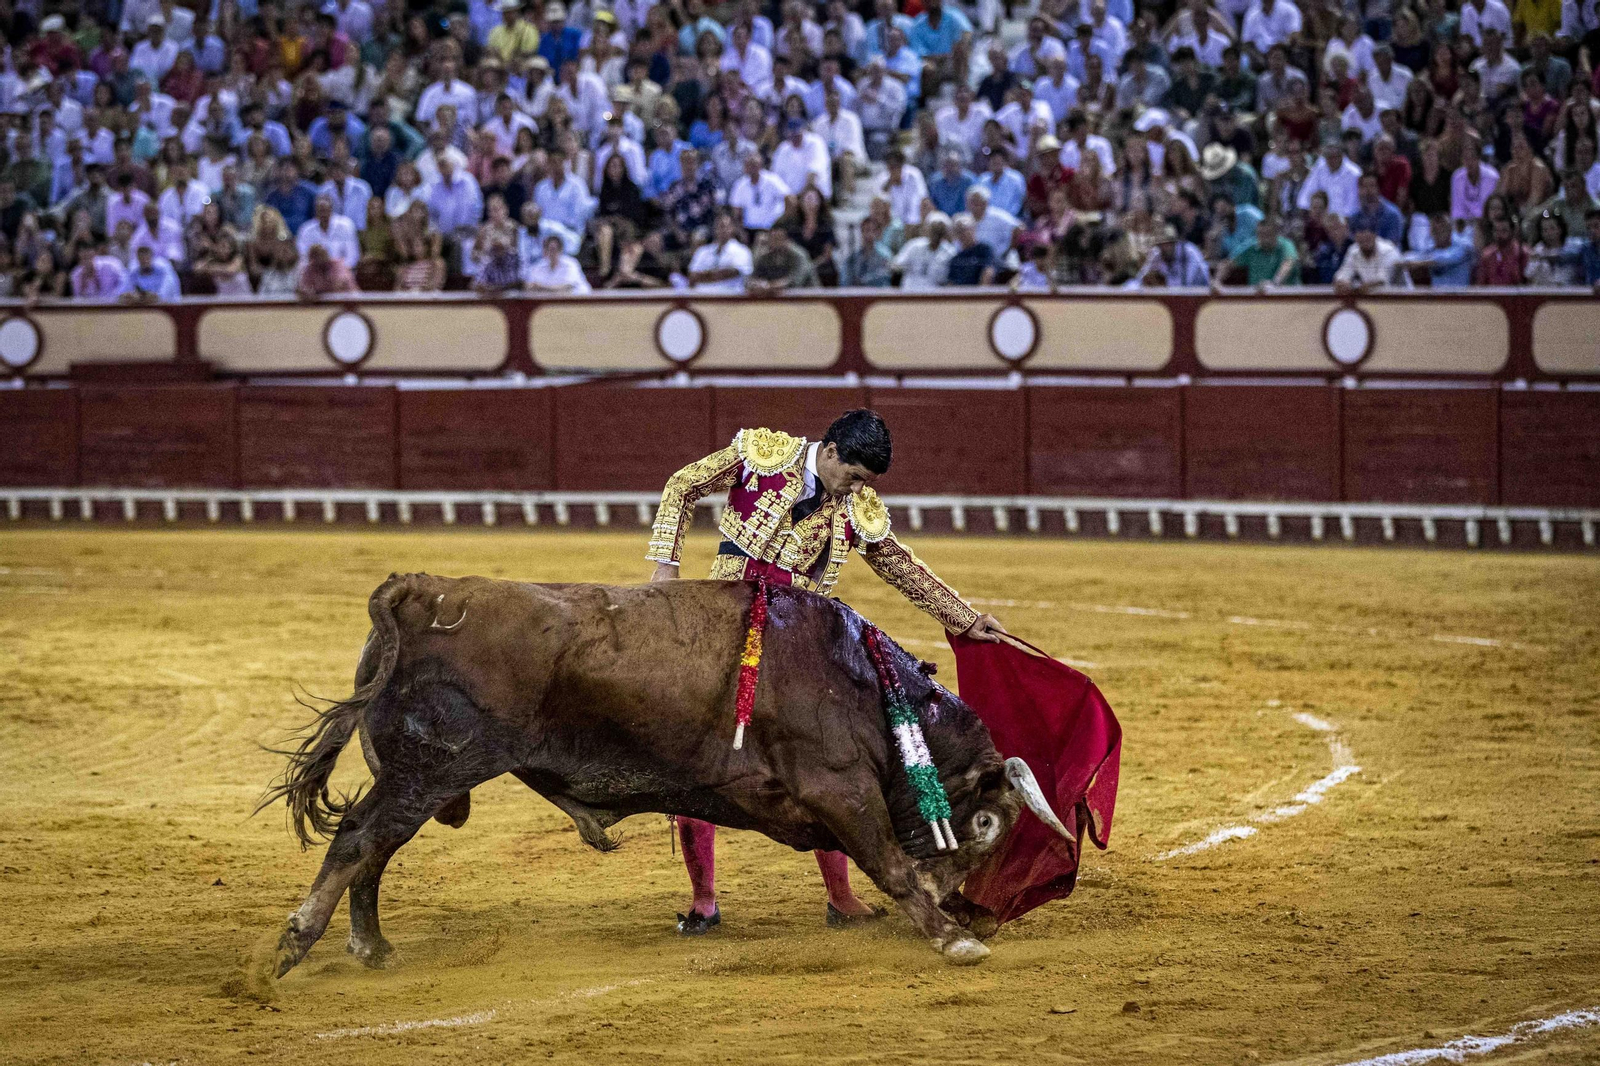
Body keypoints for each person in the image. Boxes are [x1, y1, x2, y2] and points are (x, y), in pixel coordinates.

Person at [645, 410, 1006, 935]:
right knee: (701, 757)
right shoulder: (761, 455)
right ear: (832, 451)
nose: (856, 489)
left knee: (827, 762)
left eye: (865, 483)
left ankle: (841, 897)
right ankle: (704, 901)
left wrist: (965, 619)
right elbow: (683, 485)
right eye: (854, 476)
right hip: (725, 627)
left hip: (798, 647)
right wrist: (666, 565)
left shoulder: (857, 506)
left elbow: (901, 567)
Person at [1334, 219, 1405, 292]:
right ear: (1355, 237)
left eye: (1369, 233)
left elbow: (1381, 281)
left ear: (1375, 235)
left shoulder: (1388, 250)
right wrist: (1342, 283)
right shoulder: (1353, 251)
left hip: (1404, 297)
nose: (1365, 235)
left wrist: (1356, 286)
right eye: (1361, 233)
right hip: (1372, 298)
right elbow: (1342, 276)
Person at [523, 232, 591, 293]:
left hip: (579, 301)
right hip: (550, 303)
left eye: (553, 249)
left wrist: (541, 287)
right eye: (548, 249)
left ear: (560, 250)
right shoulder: (537, 266)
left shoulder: (570, 263)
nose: (551, 252)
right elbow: (529, 286)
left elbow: (567, 287)